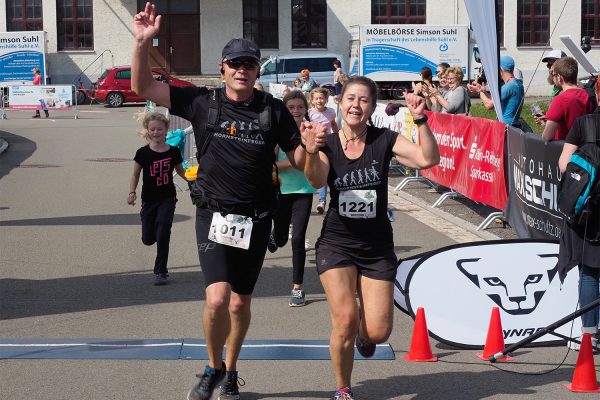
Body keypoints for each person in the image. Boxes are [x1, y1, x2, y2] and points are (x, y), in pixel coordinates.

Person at [131, 4, 321, 399]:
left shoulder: (273, 112)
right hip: (214, 215)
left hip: (255, 219)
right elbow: (143, 88)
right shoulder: (202, 102)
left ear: (257, 71)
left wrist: (312, 147)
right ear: (222, 68)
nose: (242, 70)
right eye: (235, 63)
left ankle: (231, 369)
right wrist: (141, 44)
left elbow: (303, 166)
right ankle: (211, 367)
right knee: (217, 298)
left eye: (249, 64)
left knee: (238, 305)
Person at [302, 76, 440, 400]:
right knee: (345, 319)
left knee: (378, 332)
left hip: (376, 246)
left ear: (372, 106)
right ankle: (343, 387)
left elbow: (427, 159)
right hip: (336, 243)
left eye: (364, 100)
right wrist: (310, 152)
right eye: (351, 98)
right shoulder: (328, 142)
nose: (356, 105)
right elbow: (316, 179)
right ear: (340, 101)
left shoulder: (385, 139)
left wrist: (421, 120)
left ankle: (365, 330)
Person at [557, 76, 600, 350]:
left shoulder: (584, 124)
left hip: (589, 212)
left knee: (589, 273)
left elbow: (564, 165)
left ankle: (589, 335)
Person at [267, 90, 317, 307]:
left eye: (300, 107)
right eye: (291, 107)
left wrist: (278, 165)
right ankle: (274, 235)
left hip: (303, 191)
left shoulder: (310, 132)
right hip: (281, 191)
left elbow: (304, 161)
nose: (296, 111)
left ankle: (297, 288)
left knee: (298, 238)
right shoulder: (278, 131)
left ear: (306, 109)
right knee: (279, 239)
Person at [128, 112, 186, 285]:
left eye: (159, 129)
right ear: (147, 130)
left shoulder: (174, 152)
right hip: (149, 200)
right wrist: (132, 192)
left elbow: (181, 172)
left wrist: (194, 182)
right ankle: (149, 233)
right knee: (148, 239)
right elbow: (135, 175)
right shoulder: (142, 153)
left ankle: (161, 271)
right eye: (152, 129)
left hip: (167, 199)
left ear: (166, 130)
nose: (156, 132)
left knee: (163, 232)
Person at [538, 57, 594, 141]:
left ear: (560, 78)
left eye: (553, 75)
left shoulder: (560, 99)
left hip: (565, 149)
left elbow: (547, 137)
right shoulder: (588, 94)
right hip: (584, 147)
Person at [468, 55, 524, 127]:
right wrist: (483, 90)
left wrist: (479, 91)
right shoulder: (517, 83)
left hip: (507, 126)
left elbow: (489, 105)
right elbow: (494, 100)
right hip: (513, 124)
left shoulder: (508, 86)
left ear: (501, 70)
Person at [308, 87, 338, 214]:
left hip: (328, 143)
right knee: (320, 172)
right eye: (317, 99)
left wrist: (339, 136)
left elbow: (333, 124)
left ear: (326, 100)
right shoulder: (309, 113)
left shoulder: (331, 112)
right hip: (315, 144)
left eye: (322, 98)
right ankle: (321, 199)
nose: (319, 101)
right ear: (312, 101)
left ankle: (323, 201)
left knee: (327, 173)